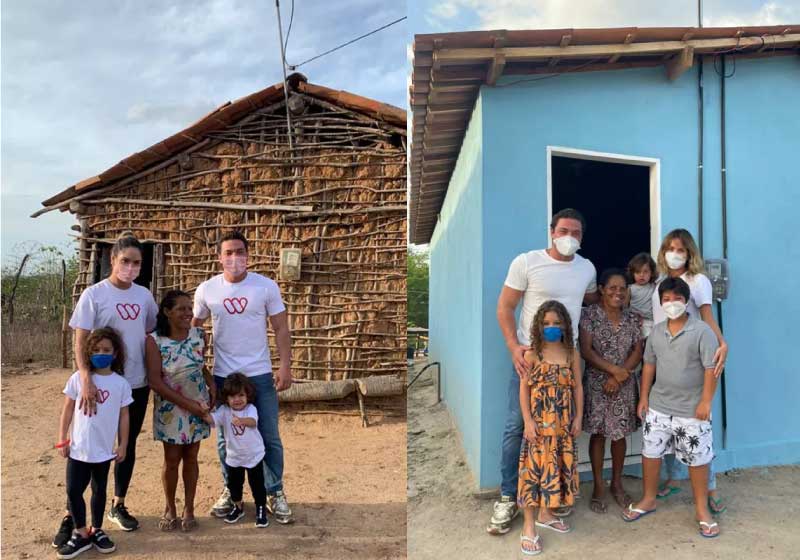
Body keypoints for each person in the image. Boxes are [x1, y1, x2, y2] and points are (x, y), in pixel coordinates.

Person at [491, 208, 598, 534]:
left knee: (563, 432)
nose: (570, 237)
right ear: (551, 231)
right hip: (530, 361)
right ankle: (510, 496)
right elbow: (505, 307)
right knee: (518, 428)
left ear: (582, 237)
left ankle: (552, 497)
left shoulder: (586, 268)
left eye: (576, 233)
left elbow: (592, 299)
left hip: (567, 361)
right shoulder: (527, 262)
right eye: (564, 230)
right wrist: (514, 347)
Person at [54, 234, 158, 547]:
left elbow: (149, 330)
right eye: (125, 260)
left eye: (136, 262)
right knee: (86, 446)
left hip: (134, 383)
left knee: (126, 444)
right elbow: (80, 339)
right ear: (112, 260)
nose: (130, 267)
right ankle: (72, 514)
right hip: (97, 385)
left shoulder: (144, 296)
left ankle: (117, 503)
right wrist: (85, 377)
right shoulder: (94, 295)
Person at [192, 230, 294, 523]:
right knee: (226, 437)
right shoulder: (207, 290)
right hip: (225, 376)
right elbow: (196, 330)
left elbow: (281, 328)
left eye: (239, 251)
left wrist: (285, 366)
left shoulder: (265, 287)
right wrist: (202, 371)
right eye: (228, 253)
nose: (234, 258)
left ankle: (275, 491)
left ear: (248, 255)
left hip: (259, 374)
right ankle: (231, 490)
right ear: (218, 257)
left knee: (269, 435)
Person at [623, 277, 720, 538]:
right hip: (658, 406)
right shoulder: (656, 331)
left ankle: (701, 510)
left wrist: (706, 401)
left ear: (686, 301)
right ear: (661, 302)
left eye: (677, 298)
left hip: (693, 409)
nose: (672, 303)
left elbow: (712, 369)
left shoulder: (702, 331)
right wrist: (643, 397)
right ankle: (648, 499)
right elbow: (649, 366)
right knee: (651, 454)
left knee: (698, 460)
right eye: (666, 299)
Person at [651, 229, 728, 513]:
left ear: (689, 253)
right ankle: (673, 478)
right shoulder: (661, 284)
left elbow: (707, 317)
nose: (675, 253)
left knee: (699, 427)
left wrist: (721, 343)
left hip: (694, 363)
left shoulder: (698, 281)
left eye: (681, 249)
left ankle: (710, 486)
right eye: (670, 248)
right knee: (669, 424)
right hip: (665, 364)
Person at [55, 328, 132, 559]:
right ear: (88, 352)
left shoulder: (120, 384)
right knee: (73, 490)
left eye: (106, 350)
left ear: (115, 353)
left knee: (99, 491)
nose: (101, 353)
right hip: (79, 449)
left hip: (103, 452)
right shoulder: (78, 378)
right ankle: (80, 534)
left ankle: (97, 530)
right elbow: (67, 409)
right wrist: (62, 438)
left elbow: (124, 416)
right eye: (96, 350)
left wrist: (123, 444)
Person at [145, 290, 215, 532]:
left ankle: (189, 508)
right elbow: (155, 382)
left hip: (198, 405)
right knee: (172, 459)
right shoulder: (154, 341)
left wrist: (212, 384)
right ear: (167, 312)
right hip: (171, 408)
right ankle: (170, 508)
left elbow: (198, 365)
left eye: (190, 308)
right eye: (181, 309)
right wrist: (190, 405)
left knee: (192, 457)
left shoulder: (198, 335)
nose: (188, 313)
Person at [517, 300, 583, 556]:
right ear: (538, 326)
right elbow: (524, 389)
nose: (552, 327)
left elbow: (577, 387)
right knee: (533, 473)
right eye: (546, 323)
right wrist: (528, 421)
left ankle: (547, 513)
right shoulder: (532, 354)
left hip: (563, 425)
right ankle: (529, 527)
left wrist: (577, 418)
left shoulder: (572, 353)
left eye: (557, 323)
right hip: (538, 427)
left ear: (566, 325)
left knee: (556, 467)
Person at [579, 269, 644, 513]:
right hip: (597, 384)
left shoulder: (633, 318)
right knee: (598, 435)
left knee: (619, 436)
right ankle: (598, 485)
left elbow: (637, 351)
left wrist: (619, 376)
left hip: (623, 384)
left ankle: (617, 484)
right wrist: (612, 371)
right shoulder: (589, 316)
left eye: (622, 288)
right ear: (602, 290)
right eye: (612, 288)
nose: (618, 292)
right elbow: (586, 350)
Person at [203, 373, 269, 528]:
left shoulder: (250, 409)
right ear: (226, 399)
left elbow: (253, 422)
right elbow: (212, 420)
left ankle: (261, 508)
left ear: (248, 395)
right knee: (234, 485)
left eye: (241, 395)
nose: (237, 400)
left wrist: (242, 421)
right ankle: (238, 507)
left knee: (257, 484)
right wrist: (204, 412)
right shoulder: (224, 411)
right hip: (234, 457)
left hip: (254, 455)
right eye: (232, 397)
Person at [627, 253, 657, 339]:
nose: (641, 275)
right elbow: (624, 307)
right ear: (632, 273)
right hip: (635, 323)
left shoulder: (654, 287)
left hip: (651, 322)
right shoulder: (630, 289)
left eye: (645, 271)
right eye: (638, 272)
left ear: (651, 272)